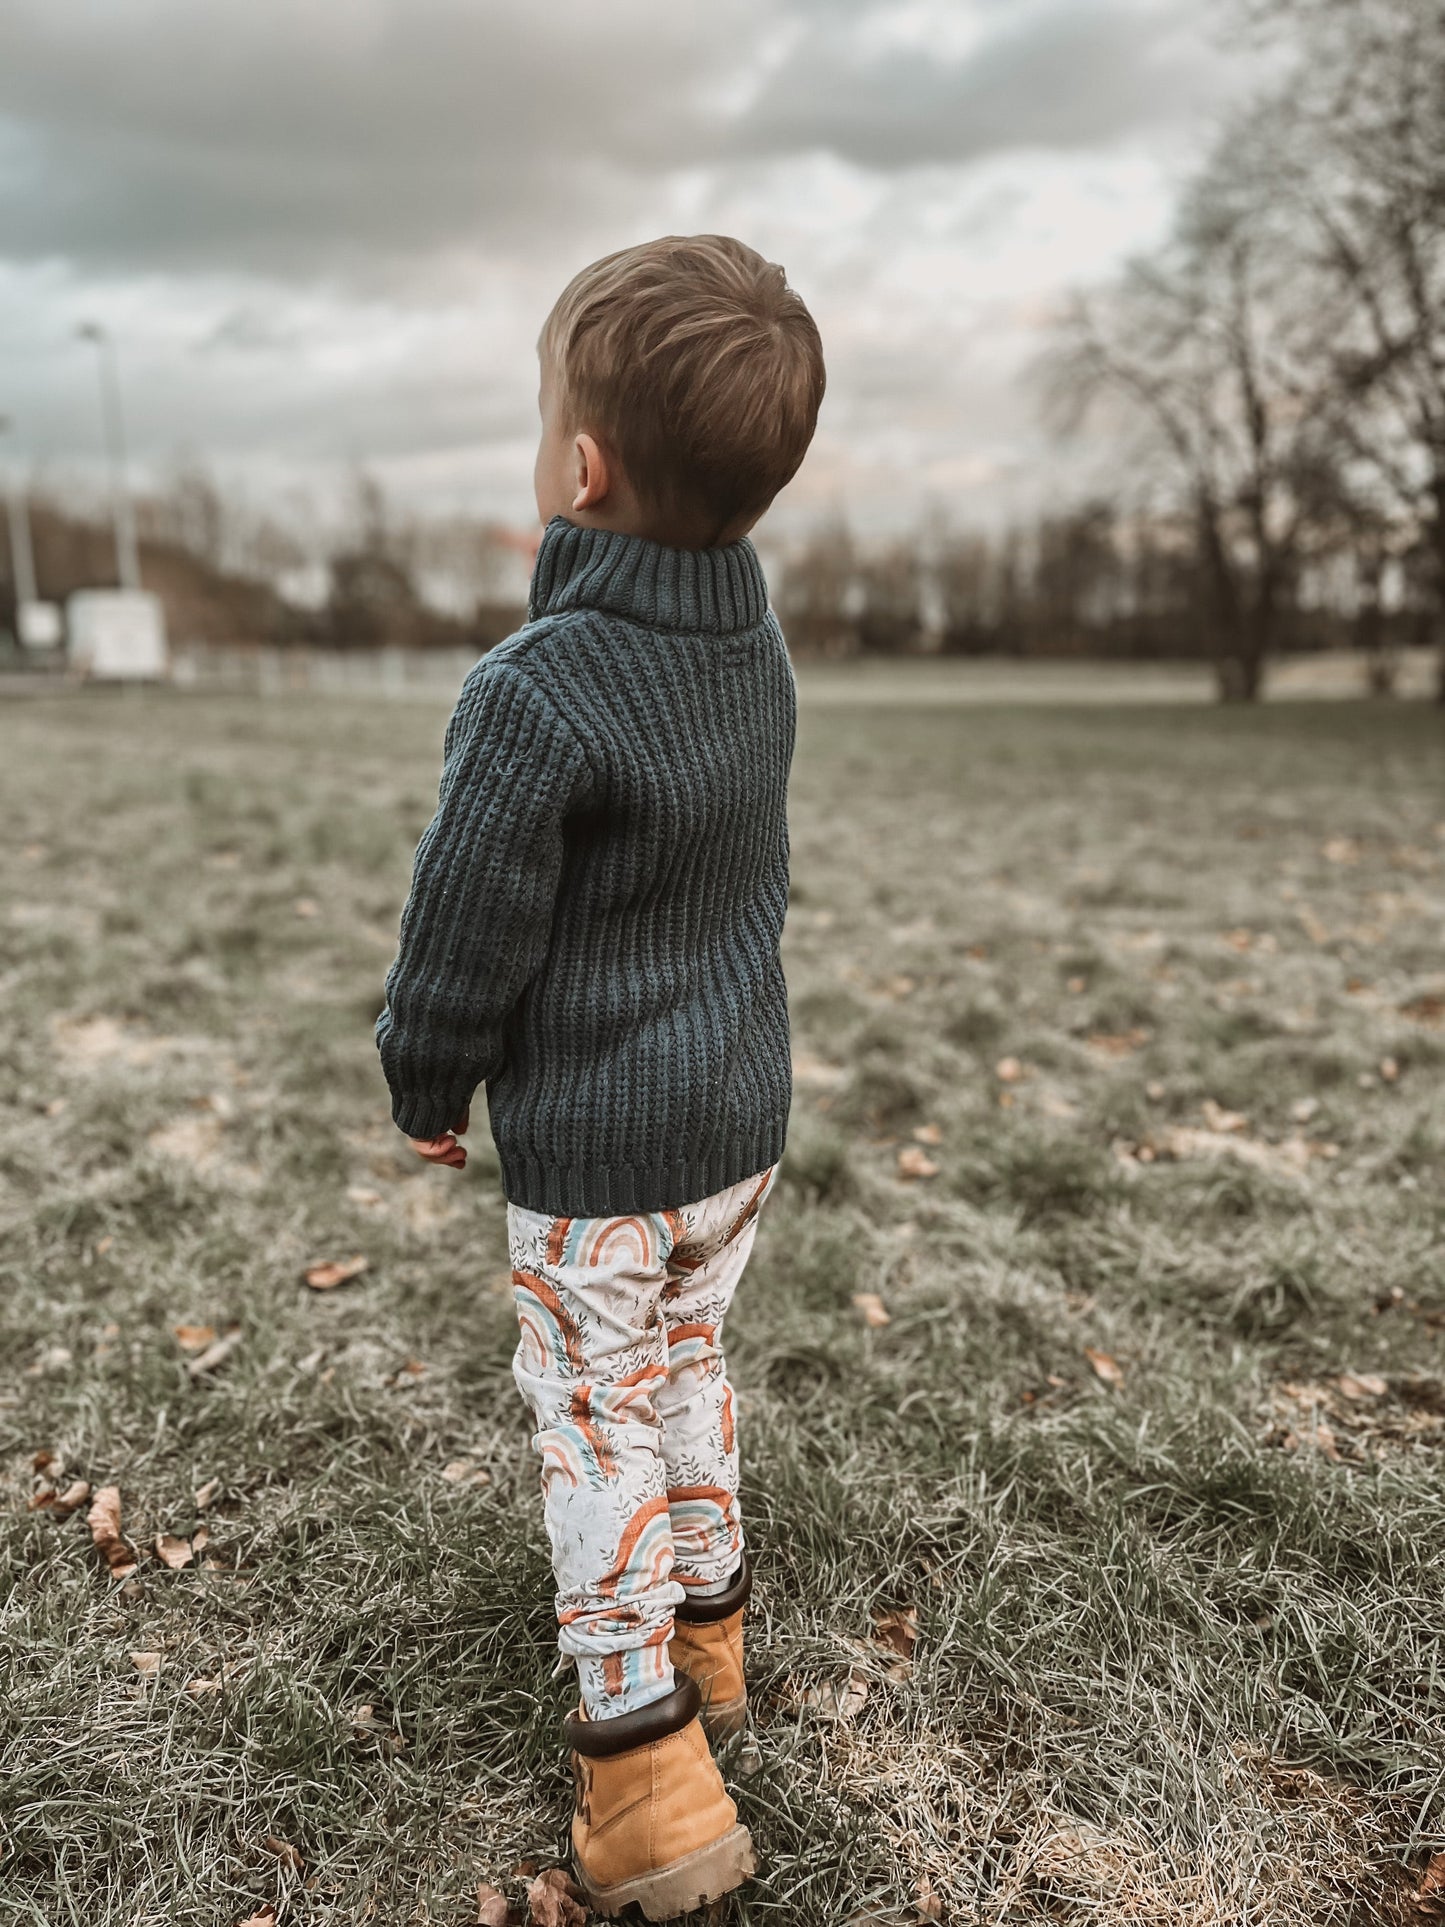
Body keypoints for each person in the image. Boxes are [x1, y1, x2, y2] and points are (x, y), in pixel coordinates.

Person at [376, 234, 824, 1919]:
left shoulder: (537, 690)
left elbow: (462, 928)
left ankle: (641, 1764)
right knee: (689, 1364)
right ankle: (712, 1634)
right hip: (735, 1129)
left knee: (591, 1420)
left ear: (580, 465)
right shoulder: (752, 653)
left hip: (599, 1160)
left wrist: (429, 1072)